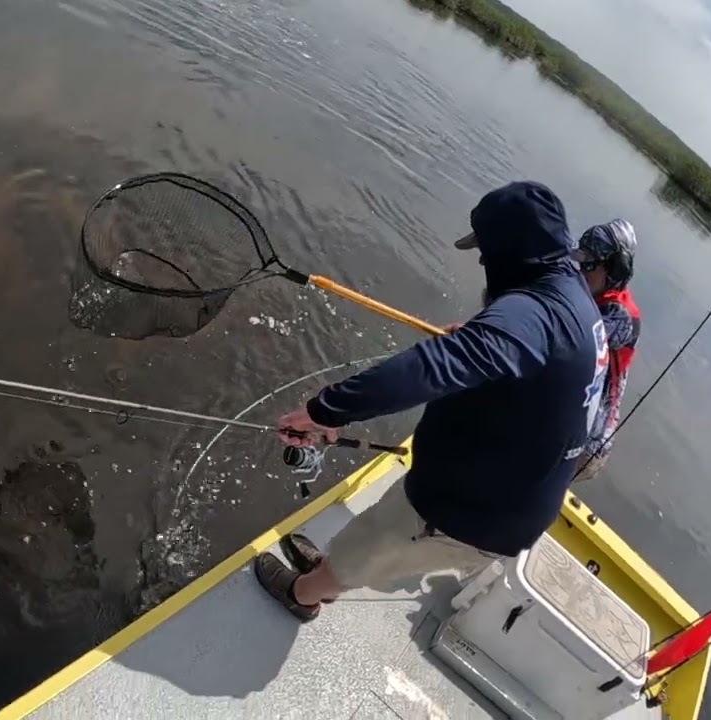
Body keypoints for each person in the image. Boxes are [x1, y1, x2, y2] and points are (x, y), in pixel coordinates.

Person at [254, 180, 611, 621]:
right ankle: (331, 568)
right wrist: (486, 338)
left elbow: (428, 369)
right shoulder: (574, 302)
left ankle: (305, 593)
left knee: (373, 546)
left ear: (511, 249)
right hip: (511, 491)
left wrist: (325, 410)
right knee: (375, 534)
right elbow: (541, 362)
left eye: (487, 249)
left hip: (470, 511)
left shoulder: (529, 320)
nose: (481, 259)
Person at [572, 219, 641, 483]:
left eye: (590, 263)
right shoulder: (591, 291)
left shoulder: (621, 317)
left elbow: (565, 337)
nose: (581, 269)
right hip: (568, 421)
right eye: (582, 260)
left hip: (586, 444)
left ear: (615, 269)